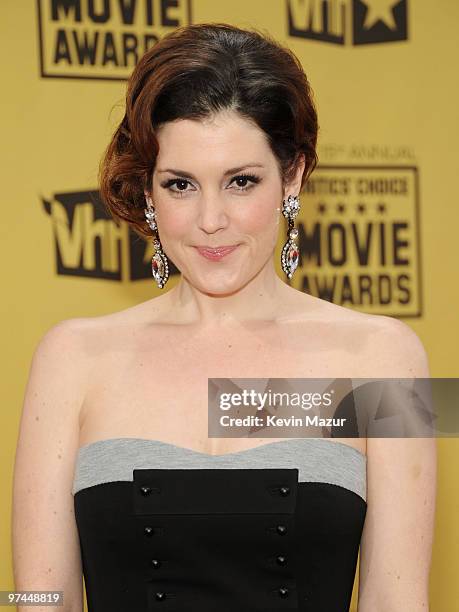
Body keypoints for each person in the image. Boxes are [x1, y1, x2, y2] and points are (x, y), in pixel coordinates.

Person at [12, 22, 436, 612]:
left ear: (294, 174)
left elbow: (399, 598)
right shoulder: (71, 358)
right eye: (181, 184)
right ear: (148, 191)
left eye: (241, 182)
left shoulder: (387, 358)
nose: (211, 220)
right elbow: (36, 598)